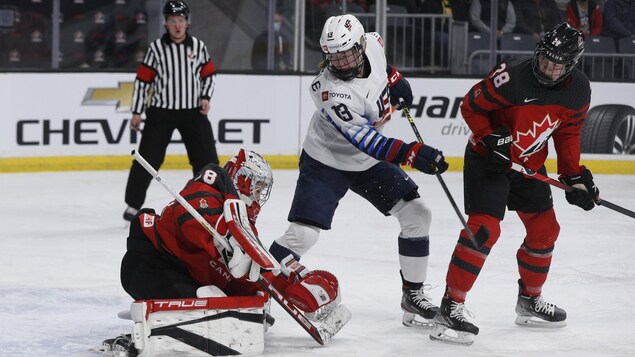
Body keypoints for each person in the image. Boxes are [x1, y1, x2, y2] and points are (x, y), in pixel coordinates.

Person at [268, 14, 449, 329]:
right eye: (334, 55)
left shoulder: (374, 43)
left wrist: (395, 81)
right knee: (304, 236)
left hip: (366, 165)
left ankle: (413, 295)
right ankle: (262, 285)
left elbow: (383, 71)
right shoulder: (328, 90)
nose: (341, 61)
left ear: (361, 44)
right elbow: (367, 140)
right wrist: (412, 153)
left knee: (417, 215)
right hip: (326, 162)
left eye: (347, 53)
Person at [429, 23, 600, 346]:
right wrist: (489, 137)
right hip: (490, 160)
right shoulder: (512, 76)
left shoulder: (578, 90)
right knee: (484, 230)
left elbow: (568, 133)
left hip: (529, 165)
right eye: (545, 59)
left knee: (545, 230)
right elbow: (471, 106)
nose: (549, 67)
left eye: (557, 64)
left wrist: (573, 175)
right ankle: (451, 306)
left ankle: (530, 300)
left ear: (571, 64)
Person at [104, 149, 342, 355]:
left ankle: (170, 328)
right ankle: (148, 340)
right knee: (210, 297)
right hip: (148, 264)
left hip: (182, 276)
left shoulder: (246, 230)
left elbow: (250, 279)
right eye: (256, 188)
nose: (259, 197)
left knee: (224, 306)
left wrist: (286, 284)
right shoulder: (207, 187)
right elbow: (189, 219)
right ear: (242, 179)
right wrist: (225, 236)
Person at [123, 0, 219, 221]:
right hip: (161, 112)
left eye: (181, 21)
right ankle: (132, 204)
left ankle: (212, 200)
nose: (177, 25)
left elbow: (209, 75)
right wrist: (137, 111)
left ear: (187, 22)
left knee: (206, 159)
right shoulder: (156, 49)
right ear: (166, 23)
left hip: (193, 111)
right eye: (173, 21)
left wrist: (205, 97)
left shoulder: (198, 47)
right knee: (147, 159)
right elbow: (142, 81)